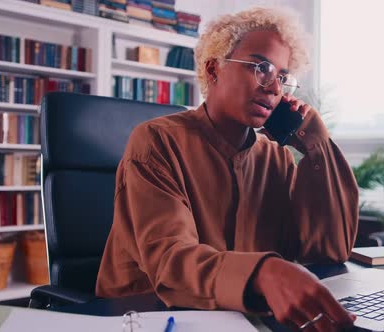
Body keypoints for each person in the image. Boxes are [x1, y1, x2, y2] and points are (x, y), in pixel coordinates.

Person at [96, 6, 359, 331]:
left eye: (282, 77)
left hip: (241, 320)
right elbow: (170, 263)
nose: (274, 88)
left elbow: (328, 251)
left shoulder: (276, 158)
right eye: (261, 67)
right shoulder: (157, 142)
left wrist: (316, 145)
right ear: (213, 69)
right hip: (148, 317)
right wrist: (264, 273)